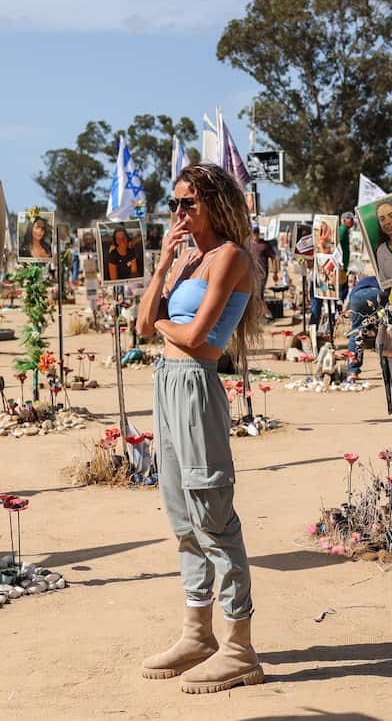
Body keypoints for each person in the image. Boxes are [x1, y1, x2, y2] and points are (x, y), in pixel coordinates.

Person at [135, 162, 265, 694]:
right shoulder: (186, 257)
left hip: (195, 383)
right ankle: (198, 633)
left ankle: (239, 647)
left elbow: (196, 339)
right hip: (166, 382)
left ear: (214, 202)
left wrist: (165, 327)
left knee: (212, 513)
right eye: (174, 204)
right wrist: (164, 264)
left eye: (188, 202)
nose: (179, 213)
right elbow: (143, 326)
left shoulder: (231, 257)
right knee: (180, 512)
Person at [344, 274, 386, 380]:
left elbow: (348, 304)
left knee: (356, 331)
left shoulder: (361, 283)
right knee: (387, 330)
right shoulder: (385, 277)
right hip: (379, 293)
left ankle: (353, 371)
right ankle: (388, 369)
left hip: (357, 297)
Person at [250, 224, 277, 299]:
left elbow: (274, 257)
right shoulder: (248, 244)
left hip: (262, 273)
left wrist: (275, 272)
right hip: (250, 273)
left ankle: (259, 309)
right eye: (254, 232)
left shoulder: (265, 245)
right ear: (251, 232)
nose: (255, 234)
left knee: (259, 294)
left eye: (257, 231)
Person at [337, 211, 355, 301]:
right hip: (341, 265)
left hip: (344, 265)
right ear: (344, 220)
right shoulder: (342, 230)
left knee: (344, 288)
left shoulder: (345, 230)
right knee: (342, 290)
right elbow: (337, 244)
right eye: (350, 219)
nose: (352, 221)